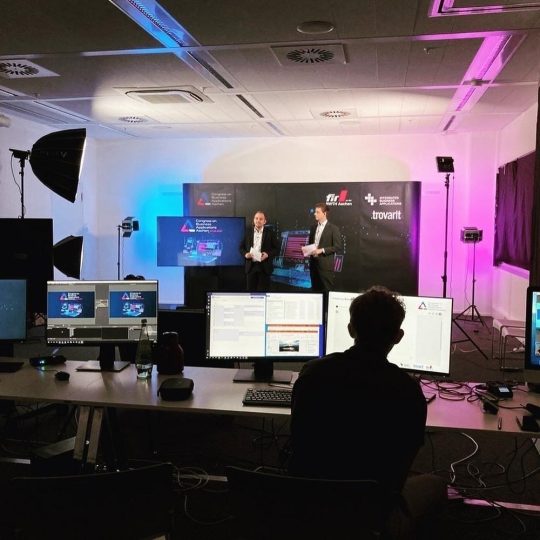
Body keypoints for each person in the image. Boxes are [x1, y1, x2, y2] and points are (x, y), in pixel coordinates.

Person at [289, 286, 446, 536]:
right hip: (371, 512)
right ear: (398, 336)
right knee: (436, 484)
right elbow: (401, 467)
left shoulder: (312, 373)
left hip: (308, 501)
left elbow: (297, 438)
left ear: (350, 329)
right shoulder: (408, 391)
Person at [239, 211, 279, 291]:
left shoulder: (270, 233)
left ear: (264, 221)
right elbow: (241, 247)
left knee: (263, 293)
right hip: (251, 267)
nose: (258, 220)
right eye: (256, 218)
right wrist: (245, 254)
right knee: (250, 293)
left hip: (264, 267)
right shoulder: (247, 232)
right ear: (254, 220)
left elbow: (277, 249)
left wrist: (267, 254)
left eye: (261, 219)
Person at [307, 202, 342, 292]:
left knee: (327, 292)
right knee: (315, 292)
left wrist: (322, 250)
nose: (315, 214)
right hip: (313, 266)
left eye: (317, 212)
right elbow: (311, 243)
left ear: (324, 213)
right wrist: (307, 250)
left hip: (325, 268)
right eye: (315, 212)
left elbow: (337, 247)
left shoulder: (333, 229)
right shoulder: (313, 227)